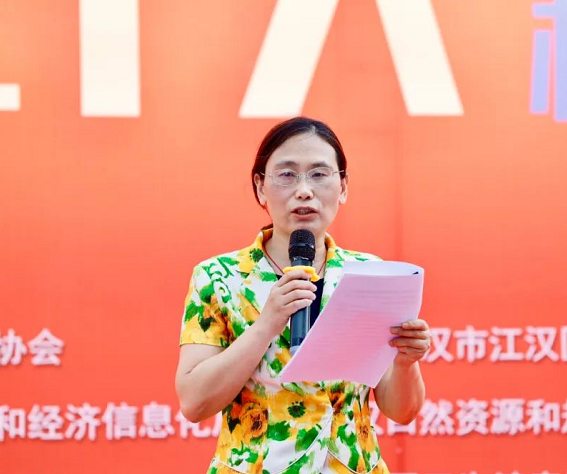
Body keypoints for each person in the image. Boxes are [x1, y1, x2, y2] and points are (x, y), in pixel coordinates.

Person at [175, 117, 431, 474]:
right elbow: (194, 402)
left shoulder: (369, 274)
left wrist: (405, 362)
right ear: (260, 187)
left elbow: (402, 411)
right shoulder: (219, 277)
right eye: (287, 174)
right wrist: (266, 325)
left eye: (319, 174)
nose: (304, 190)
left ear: (343, 186)